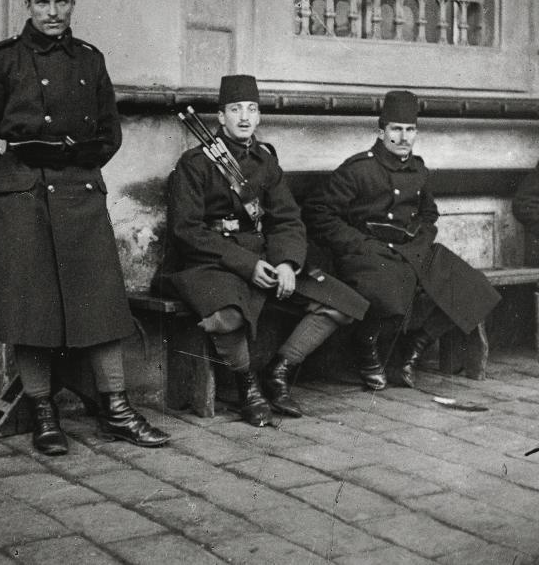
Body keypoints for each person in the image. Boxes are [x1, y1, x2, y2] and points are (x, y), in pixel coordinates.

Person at [0, 0, 169, 455]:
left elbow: (109, 133)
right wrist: (6, 181)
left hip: (78, 192)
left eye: (61, 2)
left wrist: (80, 165)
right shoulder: (0, 61)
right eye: (42, 1)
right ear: (27, 3)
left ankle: (117, 410)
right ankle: (44, 415)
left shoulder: (90, 60)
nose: (51, 11)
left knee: (103, 305)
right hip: (21, 196)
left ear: (72, 5)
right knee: (31, 309)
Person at [165, 75, 369, 426]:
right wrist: (247, 264)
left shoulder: (265, 161)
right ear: (221, 117)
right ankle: (248, 387)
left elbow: (287, 219)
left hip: (265, 258)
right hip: (211, 260)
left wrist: (287, 262)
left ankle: (278, 372)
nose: (244, 117)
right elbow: (187, 230)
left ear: (259, 116)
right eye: (235, 109)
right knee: (227, 314)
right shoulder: (195, 164)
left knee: (342, 302)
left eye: (251, 109)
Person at [303, 90, 501, 391]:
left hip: (411, 249)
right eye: (396, 129)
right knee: (390, 291)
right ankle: (367, 351)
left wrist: (421, 238)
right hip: (367, 253)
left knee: (472, 286)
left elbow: (428, 212)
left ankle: (412, 350)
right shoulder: (358, 169)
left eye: (410, 130)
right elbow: (318, 213)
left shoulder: (418, 170)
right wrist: (358, 243)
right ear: (381, 132)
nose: (403, 137)